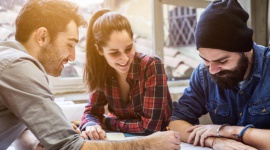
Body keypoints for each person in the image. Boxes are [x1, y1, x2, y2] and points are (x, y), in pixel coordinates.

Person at [0, 0, 181, 150]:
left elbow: (21, 130)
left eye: (128, 48)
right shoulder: (19, 67)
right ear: (42, 37)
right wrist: (149, 144)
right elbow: (72, 146)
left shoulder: (10, 59)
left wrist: (48, 134)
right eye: (70, 44)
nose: (72, 56)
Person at [169, 0, 270, 150]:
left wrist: (229, 131)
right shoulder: (203, 73)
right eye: (205, 60)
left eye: (222, 61)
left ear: (246, 49)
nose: (212, 70)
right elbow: (175, 123)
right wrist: (215, 141)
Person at [80, 9, 173, 140]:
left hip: (161, 142)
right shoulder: (102, 71)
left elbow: (150, 128)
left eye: (128, 48)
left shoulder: (152, 65)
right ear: (100, 50)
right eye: (114, 53)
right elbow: (91, 113)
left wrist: (106, 122)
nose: (124, 58)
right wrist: (91, 125)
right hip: (125, 141)